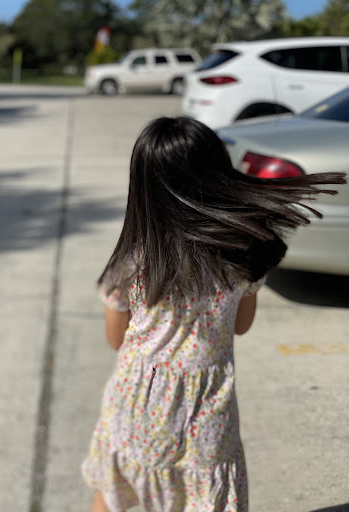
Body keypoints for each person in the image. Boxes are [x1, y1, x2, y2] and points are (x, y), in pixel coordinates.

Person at [82, 116, 346, 512]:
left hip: (138, 402)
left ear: (144, 188)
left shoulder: (133, 261)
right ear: (220, 176)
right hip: (208, 411)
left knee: (116, 489)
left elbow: (115, 339)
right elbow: (242, 326)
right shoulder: (243, 257)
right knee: (206, 494)